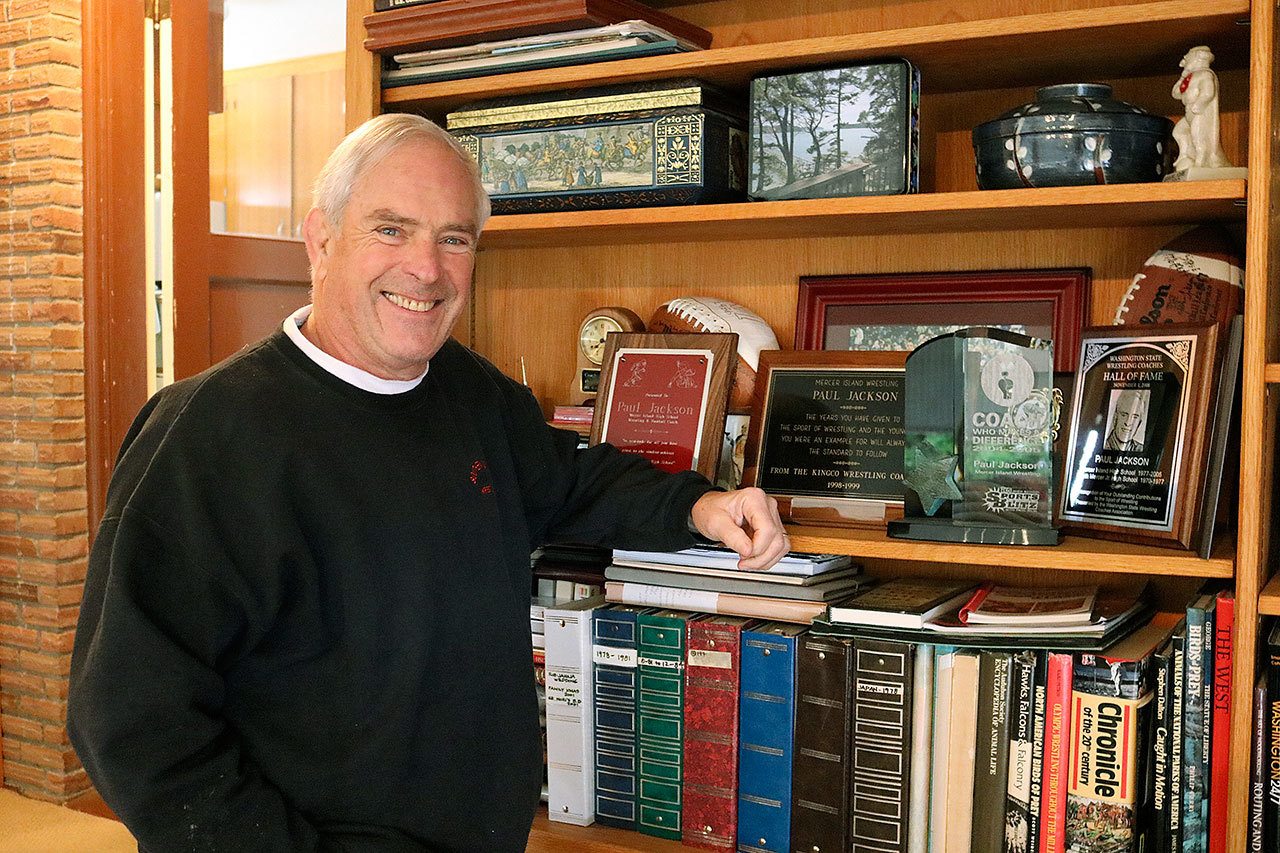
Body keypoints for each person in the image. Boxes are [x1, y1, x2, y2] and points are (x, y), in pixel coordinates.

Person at [67, 114, 788, 852]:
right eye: (391, 229)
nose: (427, 269)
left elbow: (571, 480)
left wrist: (701, 505)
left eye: (454, 239)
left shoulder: (472, 394)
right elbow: (130, 721)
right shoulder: (205, 436)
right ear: (320, 240)